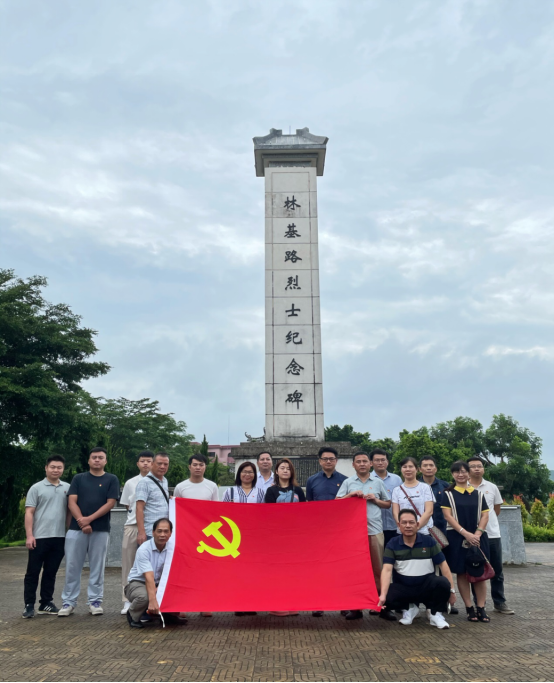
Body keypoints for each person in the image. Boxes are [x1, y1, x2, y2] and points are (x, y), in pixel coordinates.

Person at [58, 447, 119, 617]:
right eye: (94, 457)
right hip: (76, 530)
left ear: (106, 461)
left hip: (100, 529)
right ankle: (68, 602)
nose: (97, 460)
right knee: (72, 566)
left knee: (97, 567)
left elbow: (110, 503)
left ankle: (95, 601)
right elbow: (72, 502)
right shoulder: (79, 478)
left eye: (101, 457)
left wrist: (89, 519)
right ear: (89, 460)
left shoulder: (111, 479)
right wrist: (81, 522)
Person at [337, 451, 395, 621]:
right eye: (358, 462)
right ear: (353, 465)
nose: (362, 464)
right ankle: (355, 607)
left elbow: (388, 504)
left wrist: (375, 500)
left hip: (374, 531)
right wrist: (350, 495)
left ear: (370, 464)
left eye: (364, 461)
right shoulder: (348, 482)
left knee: (379, 569)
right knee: (355, 570)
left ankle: (381, 605)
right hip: (353, 534)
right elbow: (337, 502)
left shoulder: (377, 483)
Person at [379, 509, 457, 629]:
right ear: (399, 525)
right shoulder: (392, 544)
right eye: (404, 523)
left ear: (418, 524)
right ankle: (410, 608)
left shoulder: (429, 541)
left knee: (442, 582)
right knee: (384, 594)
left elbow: (443, 566)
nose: (408, 526)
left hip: (426, 587)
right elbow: (387, 570)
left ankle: (435, 614)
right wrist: (383, 595)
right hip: (405, 588)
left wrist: (452, 591)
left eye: (411, 522)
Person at [442, 460, 491, 623]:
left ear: (468, 473)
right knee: (462, 572)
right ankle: (469, 608)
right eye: (457, 471)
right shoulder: (447, 494)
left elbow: (485, 515)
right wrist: (465, 533)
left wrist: (477, 533)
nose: (460, 474)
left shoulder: (478, 494)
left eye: (463, 471)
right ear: (452, 474)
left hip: (478, 537)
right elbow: (448, 516)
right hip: (457, 537)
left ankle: (482, 608)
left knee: (479, 573)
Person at [22, 455, 71, 618]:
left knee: (51, 572)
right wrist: (29, 536)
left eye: (59, 467)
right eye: (53, 467)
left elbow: (69, 513)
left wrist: (70, 533)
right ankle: (29, 605)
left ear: (63, 469)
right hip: (39, 537)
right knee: (33, 572)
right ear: (46, 468)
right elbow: (29, 512)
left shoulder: (67, 488)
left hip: (59, 537)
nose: (56, 470)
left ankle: (46, 603)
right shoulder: (36, 488)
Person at [468, 455, 514, 615]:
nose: (476, 468)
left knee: (497, 570)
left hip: (493, 534)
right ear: (467, 470)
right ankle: (478, 605)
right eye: (473, 466)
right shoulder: (463, 487)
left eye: (479, 466)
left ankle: (500, 602)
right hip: (473, 536)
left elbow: (496, 510)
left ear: (483, 468)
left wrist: (487, 524)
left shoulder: (491, 487)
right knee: (476, 569)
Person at [174, 453, 218, 617]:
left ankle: (204, 603)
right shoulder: (181, 487)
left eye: (201, 464)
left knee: (205, 570)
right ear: (189, 467)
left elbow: (215, 511)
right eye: (195, 464)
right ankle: (184, 604)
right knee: (186, 569)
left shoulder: (212, 486)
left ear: (205, 467)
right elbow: (176, 510)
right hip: (186, 535)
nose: (198, 467)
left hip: (206, 535)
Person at [305, 446, 348, 617]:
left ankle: (344, 603)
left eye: (331, 458)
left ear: (336, 461)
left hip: (340, 531)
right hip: (319, 532)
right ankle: (319, 602)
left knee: (340, 568)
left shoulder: (346, 481)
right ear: (320, 461)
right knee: (319, 567)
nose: (328, 461)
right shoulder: (312, 480)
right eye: (325, 459)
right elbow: (309, 504)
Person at [125, 517, 186, 629]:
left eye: (166, 531)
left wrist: (162, 588)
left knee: (181, 588)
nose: (162, 534)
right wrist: (153, 599)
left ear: (171, 533)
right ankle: (133, 615)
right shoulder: (144, 549)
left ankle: (168, 616)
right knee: (145, 596)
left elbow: (177, 572)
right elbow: (148, 577)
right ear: (153, 533)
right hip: (138, 583)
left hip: (159, 582)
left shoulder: (173, 549)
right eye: (159, 531)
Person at [264, 458, 305, 617]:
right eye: (282, 468)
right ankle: (276, 604)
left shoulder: (298, 490)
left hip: (294, 536)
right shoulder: (271, 491)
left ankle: (292, 603)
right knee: (277, 571)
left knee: (293, 570)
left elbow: (304, 512)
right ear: (276, 471)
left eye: (288, 468)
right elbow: (268, 514)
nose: (285, 470)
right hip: (276, 537)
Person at [418, 455, 459, 615]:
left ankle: (445, 602)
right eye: (425, 465)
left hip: (442, 534)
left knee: (444, 569)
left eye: (431, 465)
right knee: (424, 569)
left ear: (436, 468)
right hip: (421, 533)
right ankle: (422, 603)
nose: (428, 468)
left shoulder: (446, 486)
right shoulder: (415, 486)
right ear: (420, 469)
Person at [223, 462, 263, 617]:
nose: (247, 475)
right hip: (235, 539)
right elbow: (222, 513)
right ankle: (238, 603)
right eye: (244, 472)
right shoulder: (230, 491)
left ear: (255, 475)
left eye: (251, 472)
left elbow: (264, 514)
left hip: (253, 538)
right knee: (237, 572)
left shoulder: (260, 493)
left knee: (253, 572)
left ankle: (251, 603)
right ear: (239, 474)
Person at [119, 450, 154, 615]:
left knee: (152, 566)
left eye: (149, 461)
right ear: (137, 464)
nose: (146, 463)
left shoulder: (159, 481)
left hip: (153, 528)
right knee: (129, 564)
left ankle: (151, 599)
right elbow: (128, 505)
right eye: (142, 461)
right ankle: (127, 600)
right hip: (133, 526)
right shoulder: (130, 482)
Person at [391, 457, 435, 535]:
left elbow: (429, 511)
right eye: (404, 467)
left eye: (411, 466)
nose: (408, 469)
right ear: (401, 469)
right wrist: (404, 528)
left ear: (417, 469)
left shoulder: (425, 487)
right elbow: (395, 513)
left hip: (423, 531)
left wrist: (416, 527)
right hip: (404, 533)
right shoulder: (397, 490)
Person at [135, 451, 170, 546]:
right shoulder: (144, 482)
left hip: (164, 532)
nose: (162, 466)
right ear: (152, 464)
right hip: (150, 532)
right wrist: (141, 532)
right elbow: (139, 508)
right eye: (159, 463)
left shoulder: (165, 481)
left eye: (165, 464)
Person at [370, 448, 402, 547]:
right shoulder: (368, 479)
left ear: (387, 462)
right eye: (377, 460)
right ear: (371, 463)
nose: (380, 462)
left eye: (383, 460)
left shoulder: (397, 479)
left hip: (394, 525)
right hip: (375, 527)